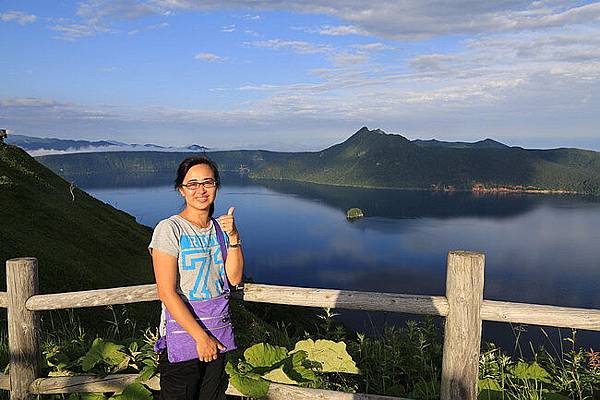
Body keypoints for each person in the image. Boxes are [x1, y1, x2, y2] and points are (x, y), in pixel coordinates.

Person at [149, 156, 244, 400]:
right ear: (181, 190)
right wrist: (201, 338)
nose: (200, 190)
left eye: (208, 183)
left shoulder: (219, 229)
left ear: (216, 186)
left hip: (217, 331)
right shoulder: (170, 229)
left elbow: (233, 279)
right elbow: (166, 292)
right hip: (185, 336)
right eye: (192, 184)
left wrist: (233, 236)